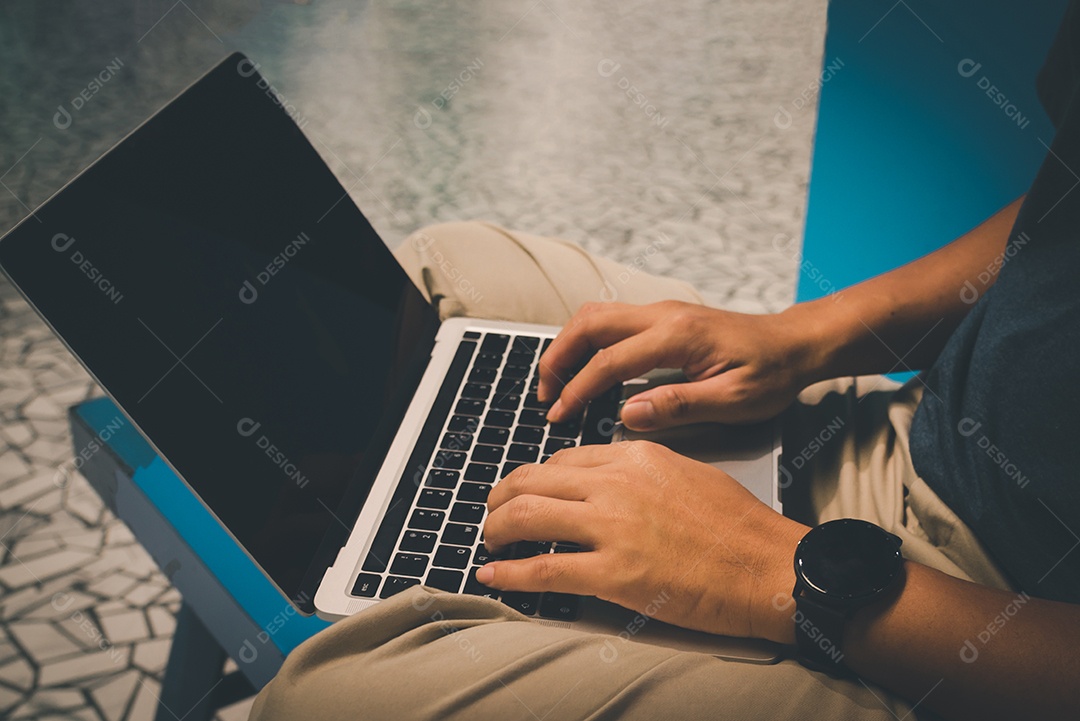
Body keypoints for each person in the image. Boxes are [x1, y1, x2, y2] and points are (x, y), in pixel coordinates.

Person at [249, 6, 1080, 720]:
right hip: (910, 440)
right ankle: (355, 545)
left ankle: (402, 601)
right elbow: (1060, 209)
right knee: (452, 267)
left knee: (316, 699)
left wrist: (763, 568)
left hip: (974, 637)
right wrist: (799, 339)